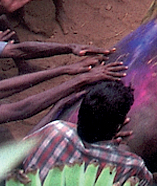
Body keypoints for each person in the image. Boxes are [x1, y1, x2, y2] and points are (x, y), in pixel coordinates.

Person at [18, 79, 150, 186]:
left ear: (80, 112)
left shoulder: (55, 129)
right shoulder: (132, 165)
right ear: (118, 127)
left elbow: (21, 151)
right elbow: (147, 182)